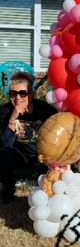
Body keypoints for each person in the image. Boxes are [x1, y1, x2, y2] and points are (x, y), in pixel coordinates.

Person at [0, 72, 56, 203]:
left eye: (22, 93)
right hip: (19, 154)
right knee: (3, 154)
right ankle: (7, 192)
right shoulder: (5, 111)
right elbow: (5, 143)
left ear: (30, 95)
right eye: (13, 93)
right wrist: (12, 119)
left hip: (42, 154)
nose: (17, 97)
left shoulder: (44, 110)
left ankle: (51, 196)